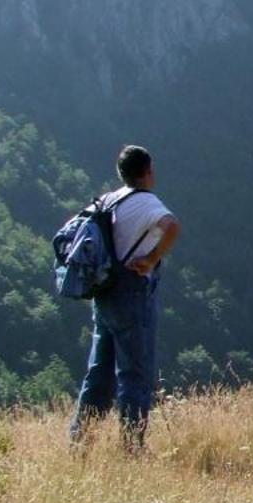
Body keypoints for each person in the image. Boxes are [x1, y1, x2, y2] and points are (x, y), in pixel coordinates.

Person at [70, 144, 180, 450]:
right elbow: (171, 226)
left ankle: (79, 443)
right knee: (135, 374)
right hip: (133, 294)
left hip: (104, 294)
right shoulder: (147, 202)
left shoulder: (107, 200)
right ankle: (132, 447)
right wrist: (152, 257)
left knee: (99, 374)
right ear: (148, 171)